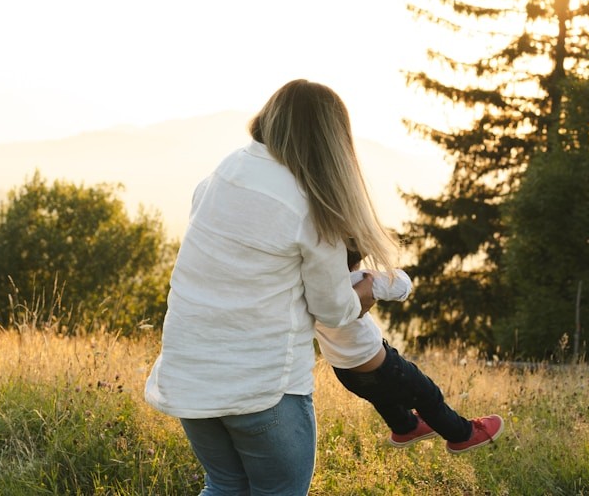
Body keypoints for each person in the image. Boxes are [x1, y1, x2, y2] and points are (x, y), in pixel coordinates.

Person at [144, 79, 398, 495]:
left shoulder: (225, 171)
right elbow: (333, 311)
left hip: (190, 376)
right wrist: (372, 288)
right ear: (333, 143)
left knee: (224, 485)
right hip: (263, 389)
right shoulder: (311, 204)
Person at [314, 248, 504, 453]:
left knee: (380, 396)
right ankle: (463, 435)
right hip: (380, 364)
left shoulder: (312, 287)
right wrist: (376, 275)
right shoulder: (358, 279)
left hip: (344, 371)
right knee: (427, 394)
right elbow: (402, 285)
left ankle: (406, 427)